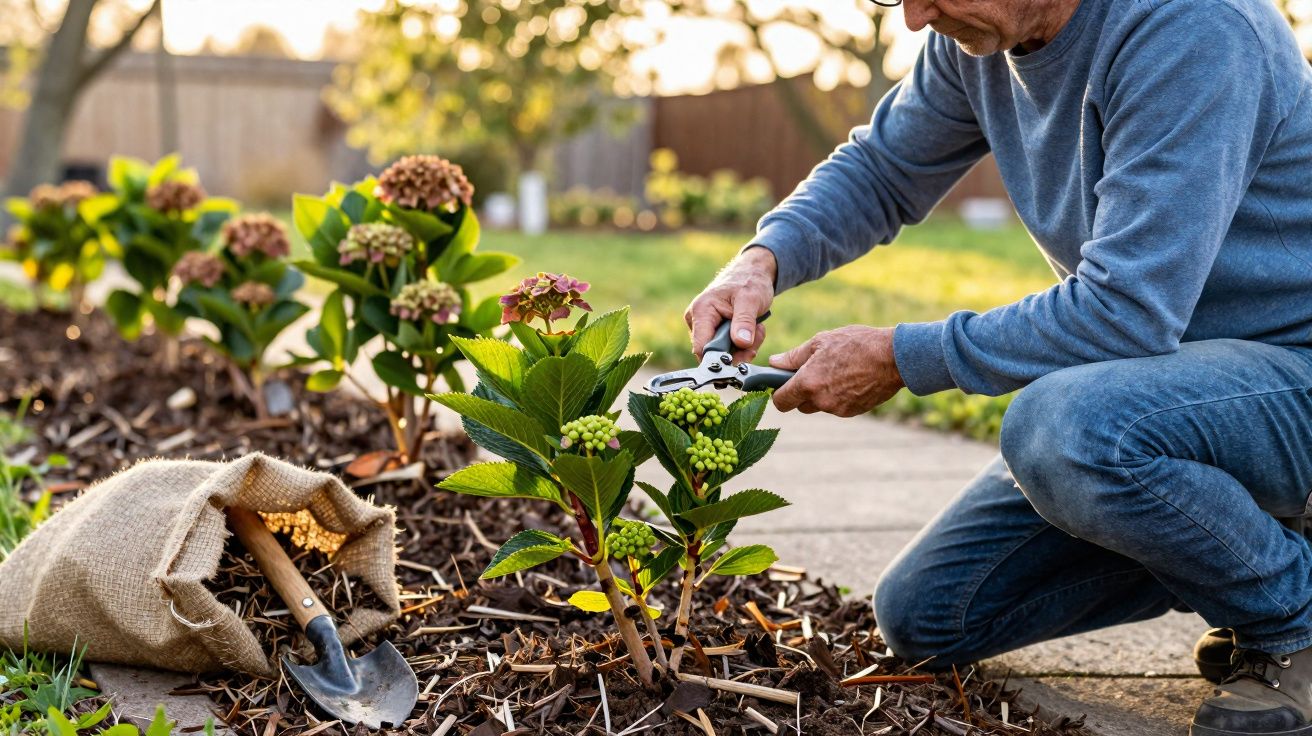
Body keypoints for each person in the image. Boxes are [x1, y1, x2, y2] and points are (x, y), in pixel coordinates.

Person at [683, 0, 1312, 733]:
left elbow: (1126, 309)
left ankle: (1292, 623)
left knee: (1065, 431)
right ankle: (1259, 547)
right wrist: (760, 261)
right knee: (930, 613)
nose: (915, 19)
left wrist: (898, 355)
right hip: (1181, 390)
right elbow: (884, 169)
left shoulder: (1194, 30)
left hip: (1292, 377)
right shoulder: (974, 46)